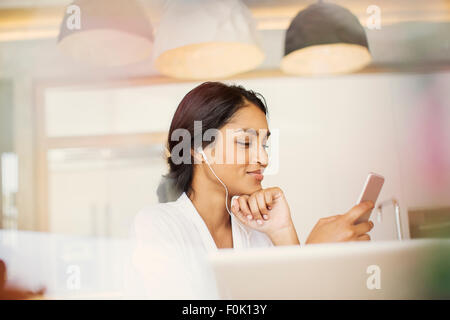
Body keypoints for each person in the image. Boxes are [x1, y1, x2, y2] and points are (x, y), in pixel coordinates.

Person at [127, 81, 374, 299]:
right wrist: (313, 255)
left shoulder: (259, 231)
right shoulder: (158, 226)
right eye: (246, 142)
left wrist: (283, 233)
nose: (263, 158)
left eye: (265, 144)